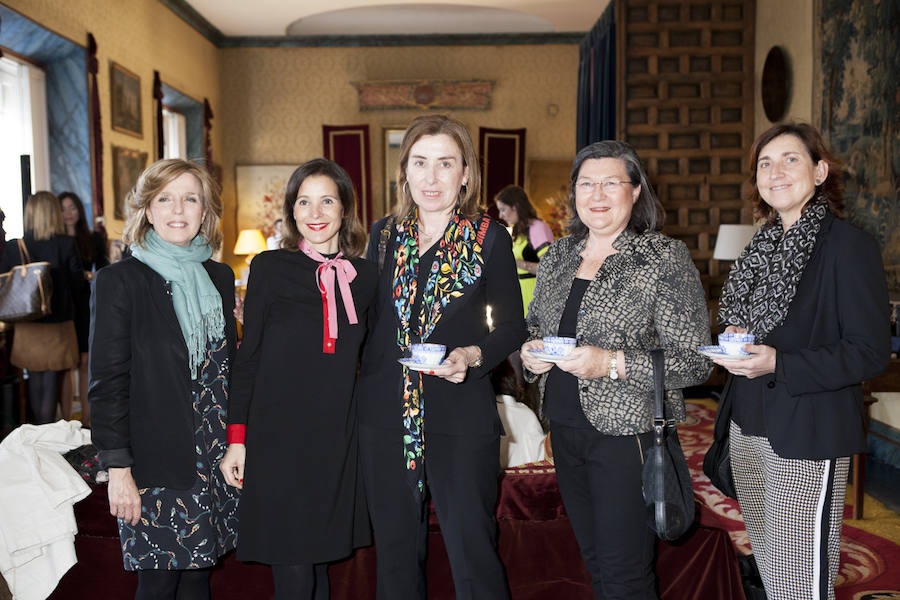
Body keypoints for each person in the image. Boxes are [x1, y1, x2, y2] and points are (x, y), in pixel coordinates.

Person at [520, 140, 711, 599]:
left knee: (626, 574)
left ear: (636, 190)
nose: (597, 195)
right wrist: (530, 354)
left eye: (611, 183)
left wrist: (609, 362)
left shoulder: (662, 257)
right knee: (595, 564)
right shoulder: (558, 257)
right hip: (564, 431)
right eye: (587, 184)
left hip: (628, 437)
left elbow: (695, 360)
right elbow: (534, 326)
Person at [712, 122, 890, 600]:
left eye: (790, 159)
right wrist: (737, 339)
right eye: (765, 164)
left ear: (820, 172)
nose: (776, 172)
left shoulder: (848, 247)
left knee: (799, 579)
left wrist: (780, 363)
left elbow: (870, 351)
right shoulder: (761, 247)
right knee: (774, 569)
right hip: (747, 427)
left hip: (807, 431)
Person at [359, 114, 526, 599]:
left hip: (460, 411)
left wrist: (472, 354)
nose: (431, 177)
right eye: (420, 163)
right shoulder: (383, 236)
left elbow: (513, 326)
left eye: (445, 163)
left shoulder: (489, 236)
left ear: (465, 173)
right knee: (394, 555)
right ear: (404, 172)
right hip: (385, 415)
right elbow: (367, 322)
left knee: (472, 551)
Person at [219, 159, 376, 599]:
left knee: (320, 566)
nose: (315, 213)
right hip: (277, 441)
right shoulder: (269, 267)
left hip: (336, 440)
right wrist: (237, 439)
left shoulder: (367, 278)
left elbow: (377, 363)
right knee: (294, 573)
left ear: (345, 208)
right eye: (304, 202)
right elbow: (248, 359)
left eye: (327, 201)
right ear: (291, 210)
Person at [89, 159, 239, 600]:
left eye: (190, 199)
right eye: (165, 199)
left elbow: (226, 370)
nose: (178, 209)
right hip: (154, 462)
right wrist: (118, 470)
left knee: (198, 578)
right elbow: (107, 384)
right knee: (157, 583)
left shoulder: (219, 277)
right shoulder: (120, 281)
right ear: (148, 210)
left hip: (214, 458)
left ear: (204, 211)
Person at [1, 192, 83, 424]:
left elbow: (5, 283)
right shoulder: (66, 244)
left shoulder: (15, 246)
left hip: (26, 323)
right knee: (51, 380)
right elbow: (77, 284)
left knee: (35, 379)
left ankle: (38, 431)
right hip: (58, 324)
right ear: (54, 213)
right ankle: (47, 432)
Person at [59, 191, 109, 426]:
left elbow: (105, 270)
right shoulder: (55, 240)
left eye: (72, 208)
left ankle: (87, 420)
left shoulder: (93, 238)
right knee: (66, 364)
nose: (68, 213)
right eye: (63, 209)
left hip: (87, 305)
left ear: (79, 210)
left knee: (85, 361)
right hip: (63, 307)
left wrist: (90, 275)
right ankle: (65, 421)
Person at [494, 185, 554, 316]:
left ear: (515, 207)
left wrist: (516, 263)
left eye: (503, 210)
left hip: (535, 298)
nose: (500, 215)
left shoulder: (538, 228)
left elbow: (549, 268)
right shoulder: (518, 231)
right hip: (518, 299)